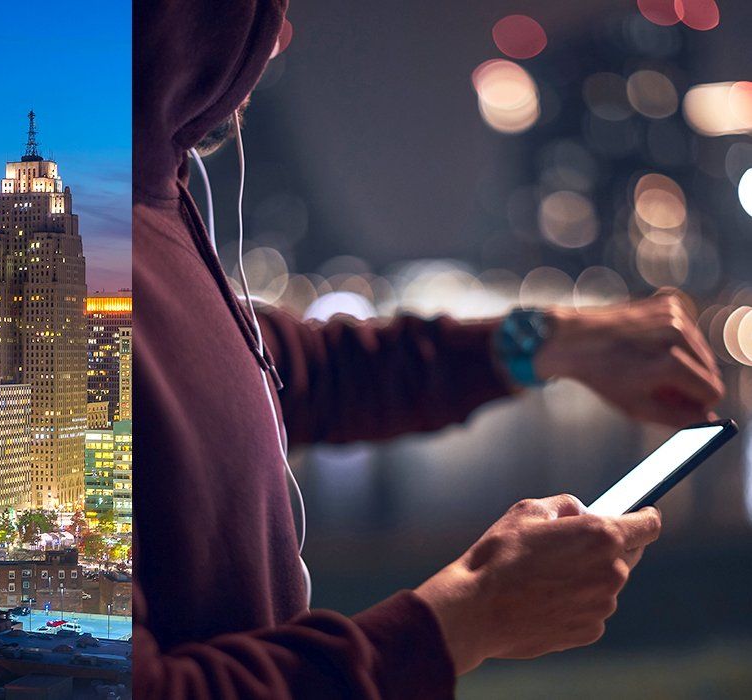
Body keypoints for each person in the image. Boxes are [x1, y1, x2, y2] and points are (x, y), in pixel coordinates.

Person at [132, 1, 726, 697]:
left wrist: (550, 340)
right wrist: (459, 621)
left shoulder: (147, 203)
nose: (263, 44)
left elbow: (284, 371)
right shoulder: (48, 260)